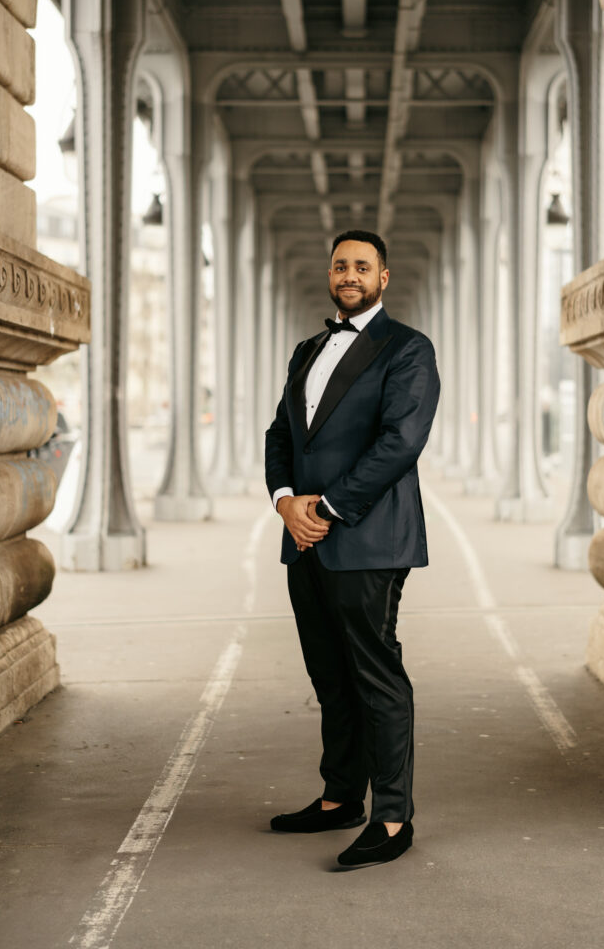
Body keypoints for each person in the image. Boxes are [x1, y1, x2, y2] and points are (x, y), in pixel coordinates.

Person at [264, 229, 440, 869]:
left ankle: (393, 819)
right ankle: (341, 797)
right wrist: (286, 501)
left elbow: (401, 441)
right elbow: (280, 432)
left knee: (375, 676)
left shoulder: (407, 349)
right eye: (341, 265)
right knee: (328, 673)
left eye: (362, 266)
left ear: (383, 278)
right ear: (330, 273)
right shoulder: (307, 349)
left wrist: (328, 508)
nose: (350, 274)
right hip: (303, 535)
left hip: (366, 536)